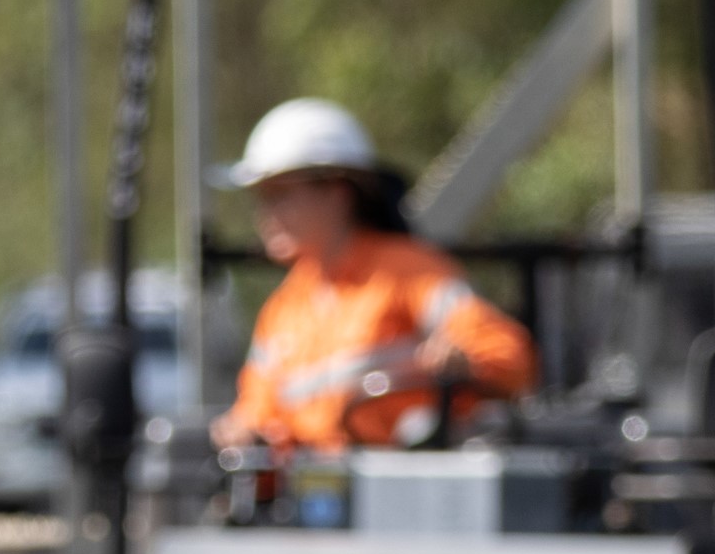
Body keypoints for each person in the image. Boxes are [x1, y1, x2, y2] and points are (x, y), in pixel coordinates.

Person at [211, 97, 537, 450]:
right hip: (311, 495)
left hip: (404, 486)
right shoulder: (283, 309)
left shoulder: (409, 273)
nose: (265, 214)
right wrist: (240, 428)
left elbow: (510, 357)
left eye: (279, 195)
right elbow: (257, 410)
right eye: (262, 198)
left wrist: (463, 361)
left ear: (337, 194)